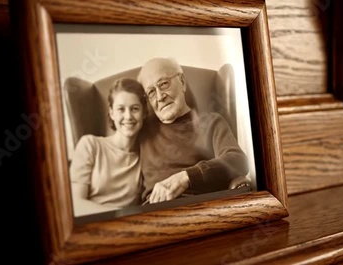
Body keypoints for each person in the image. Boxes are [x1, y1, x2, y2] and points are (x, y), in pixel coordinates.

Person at [137, 57, 249, 204]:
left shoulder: (210, 122)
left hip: (200, 206)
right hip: (153, 213)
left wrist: (185, 177)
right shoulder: (140, 130)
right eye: (151, 92)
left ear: (182, 82)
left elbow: (238, 161)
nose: (160, 96)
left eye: (164, 84)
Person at [69, 78, 147, 216]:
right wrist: (121, 215)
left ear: (144, 113)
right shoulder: (90, 145)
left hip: (128, 230)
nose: (128, 116)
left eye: (135, 109)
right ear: (111, 113)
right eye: (121, 109)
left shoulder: (147, 155)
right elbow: (75, 205)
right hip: (89, 226)